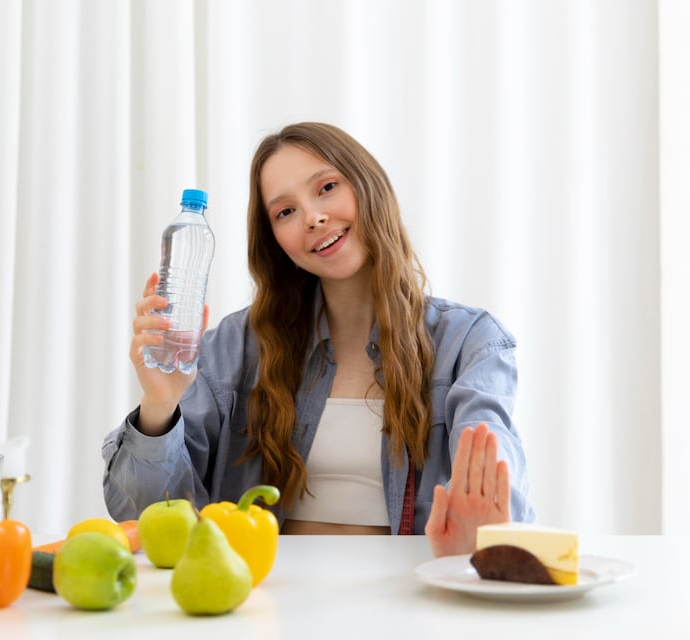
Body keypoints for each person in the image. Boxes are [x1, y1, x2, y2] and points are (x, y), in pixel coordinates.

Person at [102, 121, 535, 557]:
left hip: (410, 599)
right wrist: (160, 404)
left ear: (369, 187)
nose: (313, 217)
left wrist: (484, 532)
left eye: (326, 187)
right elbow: (146, 517)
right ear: (275, 241)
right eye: (285, 212)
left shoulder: (469, 344)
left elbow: (499, 500)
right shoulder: (235, 348)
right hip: (267, 603)